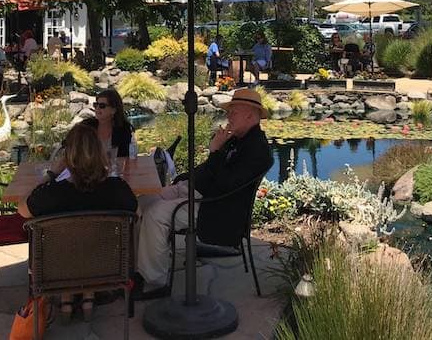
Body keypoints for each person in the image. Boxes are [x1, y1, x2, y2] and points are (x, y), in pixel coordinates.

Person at [135, 88, 273, 298]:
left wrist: (215, 151)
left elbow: (225, 184)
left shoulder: (257, 150)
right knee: (144, 201)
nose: (228, 116)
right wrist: (182, 180)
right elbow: (210, 171)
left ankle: (155, 281)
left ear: (250, 115)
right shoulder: (236, 139)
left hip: (217, 209)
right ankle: (144, 264)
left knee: (156, 213)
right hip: (201, 192)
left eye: (233, 112)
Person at [19, 123, 137, 319]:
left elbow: (22, 209)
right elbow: (137, 211)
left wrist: (51, 175)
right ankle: (88, 295)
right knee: (92, 242)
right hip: (105, 267)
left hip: (57, 270)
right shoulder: (117, 189)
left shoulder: (52, 194)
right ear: (100, 153)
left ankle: (67, 296)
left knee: (68, 243)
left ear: (67, 157)